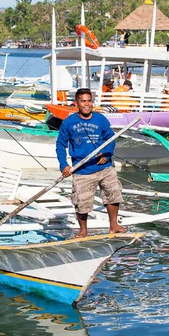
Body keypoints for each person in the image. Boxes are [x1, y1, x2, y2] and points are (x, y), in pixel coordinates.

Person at [56, 88, 127, 238]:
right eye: (83, 101)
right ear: (77, 103)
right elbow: (60, 145)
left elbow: (110, 139)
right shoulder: (69, 122)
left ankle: (114, 225)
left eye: (89, 101)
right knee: (82, 201)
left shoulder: (101, 119)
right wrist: (64, 165)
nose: (87, 104)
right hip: (82, 169)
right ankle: (83, 231)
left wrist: (107, 154)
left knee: (113, 193)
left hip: (104, 167)